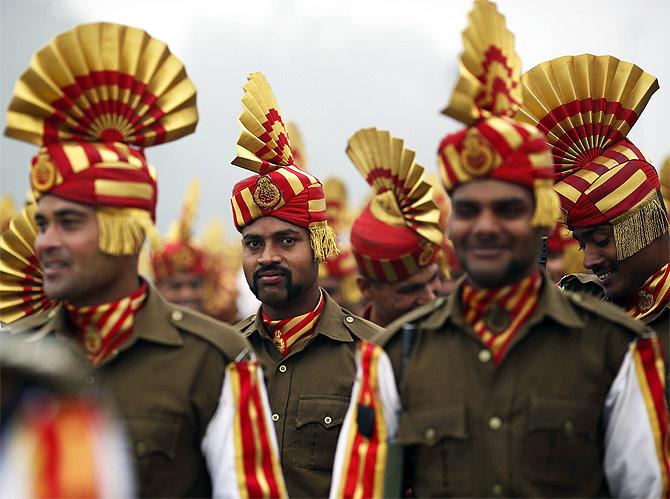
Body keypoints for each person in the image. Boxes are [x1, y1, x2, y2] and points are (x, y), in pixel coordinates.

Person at [330, 1, 669, 497]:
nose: (485, 227)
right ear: (451, 227)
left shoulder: (616, 348)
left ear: (539, 222)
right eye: (468, 210)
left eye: (507, 208)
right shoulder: (393, 356)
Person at [0, 22, 285, 498]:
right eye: (43, 223)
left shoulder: (215, 360)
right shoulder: (19, 359)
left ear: (126, 230)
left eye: (69, 223)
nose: (45, 241)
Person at [229, 72, 381, 498]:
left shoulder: (372, 356)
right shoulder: (219, 355)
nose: (268, 257)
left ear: (319, 244)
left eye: (287, 240)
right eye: (253, 243)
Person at [518, 54, 670, 385]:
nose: (588, 261)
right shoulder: (575, 301)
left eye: (601, 240)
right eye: (581, 242)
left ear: (647, 224)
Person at [347, 128, 446, 327]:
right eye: (410, 289)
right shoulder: (349, 356)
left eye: (435, 278)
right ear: (366, 289)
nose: (429, 298)